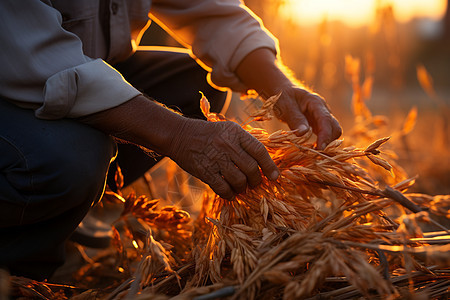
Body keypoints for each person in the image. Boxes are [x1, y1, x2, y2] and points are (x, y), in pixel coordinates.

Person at [0, 0, 342, 280]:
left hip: (73, 71)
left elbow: (212, 11)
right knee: (73, 155)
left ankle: (67, 216)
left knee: (191, 86)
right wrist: (177, 134)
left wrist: (278, 85)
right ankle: (21, 272)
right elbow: (34, 59)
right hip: (11, 87)